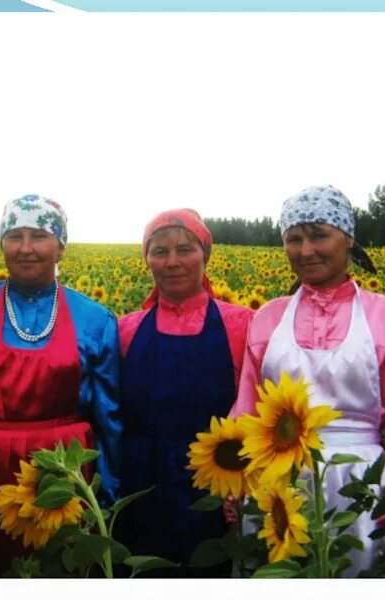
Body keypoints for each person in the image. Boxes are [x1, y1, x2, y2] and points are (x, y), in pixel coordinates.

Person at [228, 185, 385, 576]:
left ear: (348, 238)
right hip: (278, 488)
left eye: (319, 235)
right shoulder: (268, 318)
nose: (306, 251)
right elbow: (248, 411)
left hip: (361, 486)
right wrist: (236, 487)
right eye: (294, 239)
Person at [0, 194, 121, 576]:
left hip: (62, 475)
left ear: (61, 247)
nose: (26, 248)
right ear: (1, 245)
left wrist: (108, 497)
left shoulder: (95, 319)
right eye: (15, 236)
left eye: (40, 236)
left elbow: (109, 417)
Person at [115, 208, 254, 576]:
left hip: (215, 484)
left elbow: (256, 411)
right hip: (143, 486)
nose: (172, 261)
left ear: (205, 255)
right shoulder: (125, 330)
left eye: (185, 249)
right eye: (159, 251)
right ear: (146, 259)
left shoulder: (242, 324)